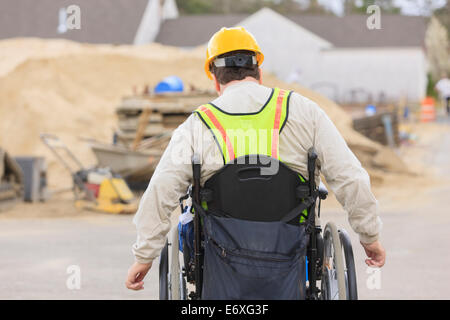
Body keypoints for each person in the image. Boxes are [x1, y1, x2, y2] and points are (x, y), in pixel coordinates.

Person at [125, 27, 385, 292]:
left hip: (219, 255)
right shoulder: (305, 111)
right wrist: (369, 235)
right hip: (290, 247)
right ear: (258, 72)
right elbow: (350, 176)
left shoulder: (198, 124)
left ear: (215, 79)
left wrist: (144, 256)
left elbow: (161, 190)